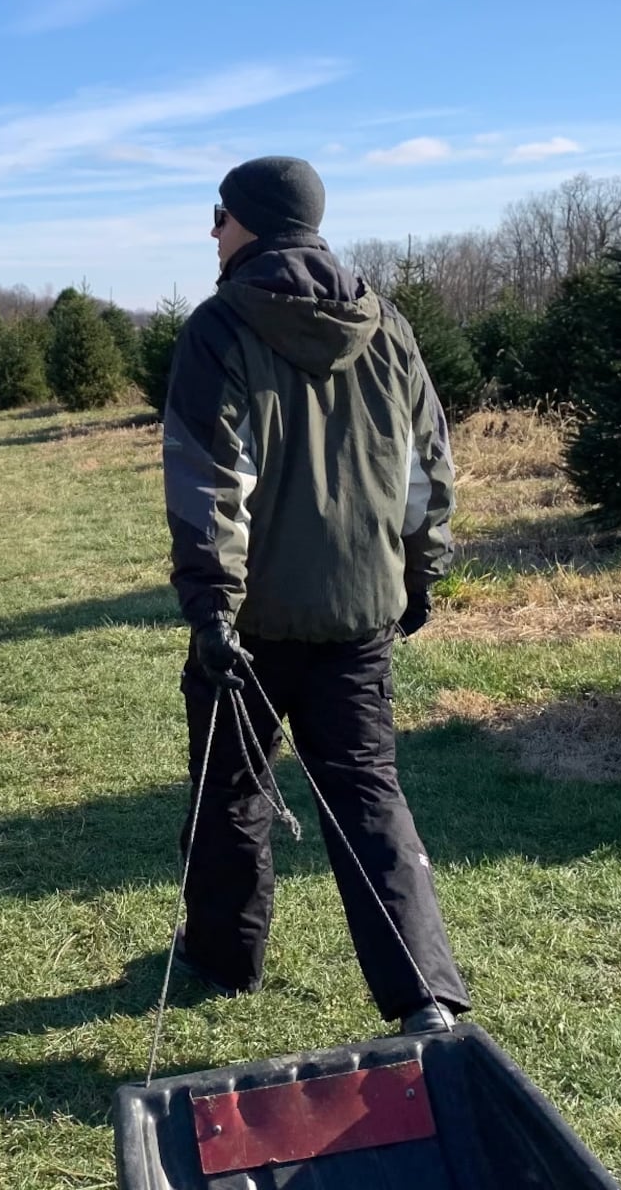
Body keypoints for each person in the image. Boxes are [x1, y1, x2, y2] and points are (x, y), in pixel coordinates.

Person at [161, 156, 468, 1034]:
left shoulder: (219, 328)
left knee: (230, 791)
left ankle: (224, 959)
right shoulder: (390, 325)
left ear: (249, 221)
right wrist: (419, 570)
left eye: (217, 216)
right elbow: (428, 470)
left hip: (249, 627)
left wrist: (212, 607)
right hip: (361, 612)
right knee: (369, 796)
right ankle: (424, 998)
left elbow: (210, 476)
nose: (211, 232)